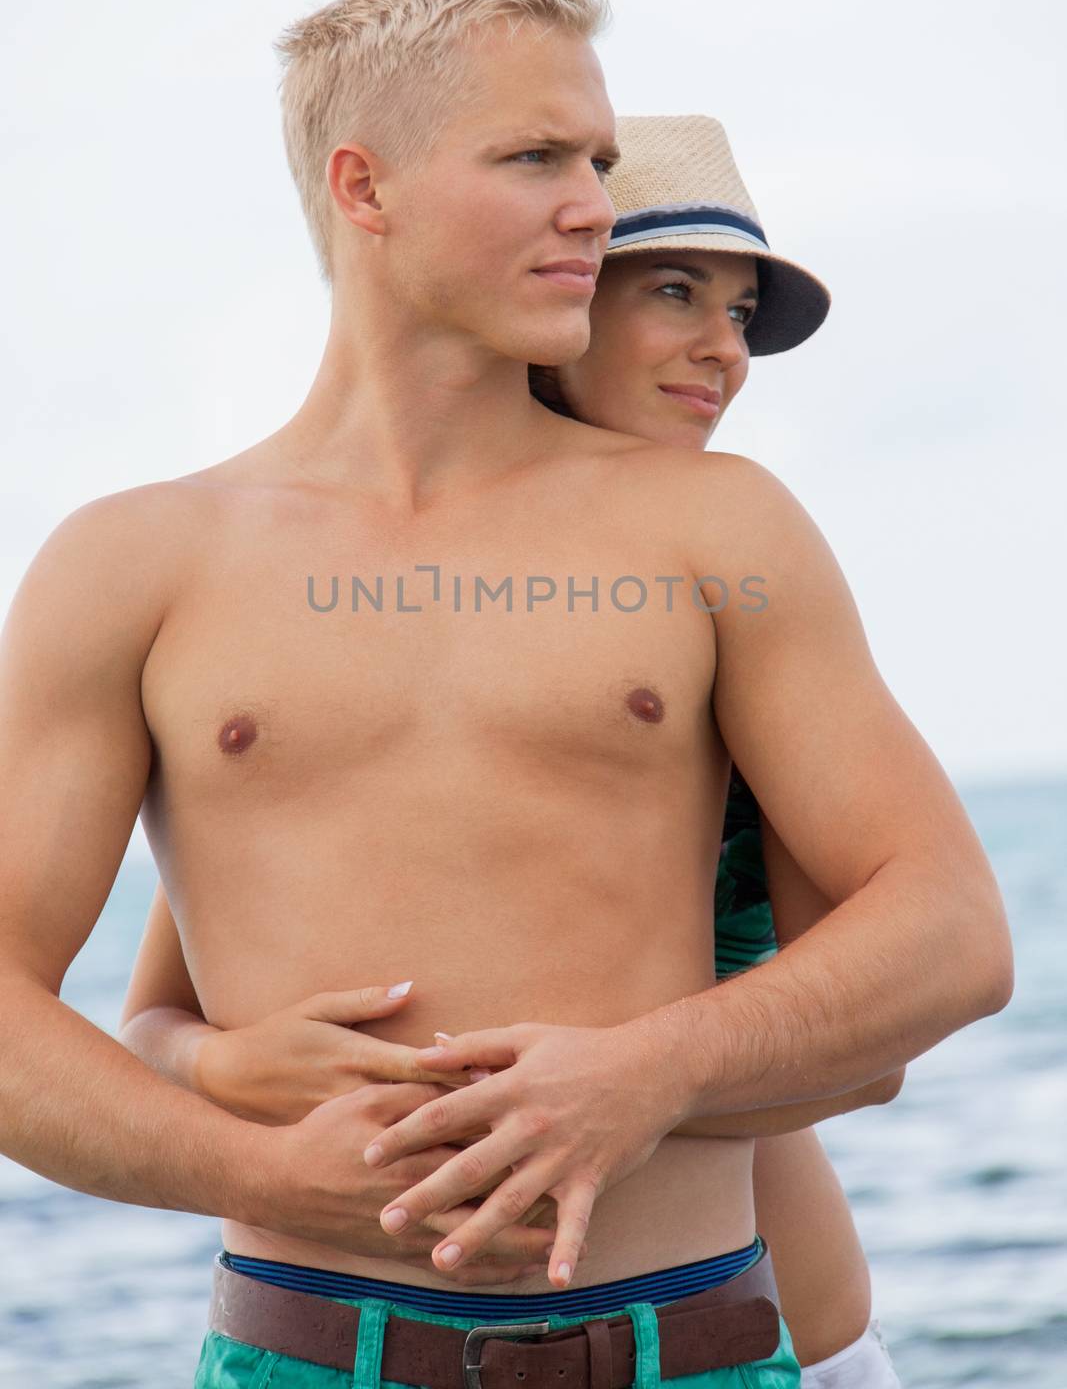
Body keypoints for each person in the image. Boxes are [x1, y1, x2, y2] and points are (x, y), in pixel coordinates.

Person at [0, 0, 1012, 1389]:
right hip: (307, 1357)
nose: (591, 203)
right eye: (536, 157)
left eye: (595, 163)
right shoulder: (133, 564)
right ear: (364, 187)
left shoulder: (714, 525)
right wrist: (259, 1165)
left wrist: (648, 1071)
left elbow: (950, 931)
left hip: (691, 1349)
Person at [118, 113, 903, 1386]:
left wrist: (598, 1091)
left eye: (740, 312)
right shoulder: (393, 623)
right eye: (673, 293)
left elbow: (873, 1055)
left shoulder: (730, 591)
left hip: (772, 1340)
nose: (723, 349)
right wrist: (214, 1060)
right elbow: (174, 1002)